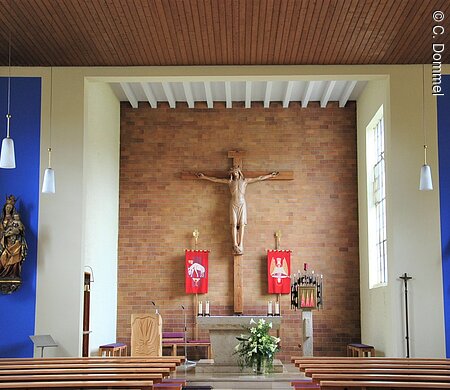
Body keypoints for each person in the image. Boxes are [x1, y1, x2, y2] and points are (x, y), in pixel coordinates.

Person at [197, 166, 278, 255]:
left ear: (239, 172)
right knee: (234, 224)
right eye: (233, 173)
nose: (234, 174)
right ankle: (235, 244)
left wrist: (270, 175)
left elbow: (259, 178)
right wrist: (204, 177)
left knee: (242, 224)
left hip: (242, 204)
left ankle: (241, 244)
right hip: (233, 204)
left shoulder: (244, 181)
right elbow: (216, 179)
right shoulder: (230, 182)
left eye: (236, 172)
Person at [0, 196, 27, 279]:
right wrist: (4, 234)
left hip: (14, 240)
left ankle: (13, 274)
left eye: (10, 208)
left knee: (17, 248)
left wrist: (17, 231)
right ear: (4, 208)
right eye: (7, 207)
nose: (8, 209)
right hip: (3, 241)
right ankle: (3, 273)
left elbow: (21, 229)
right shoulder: (1, 220)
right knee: (3, 255)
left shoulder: (15, 220)